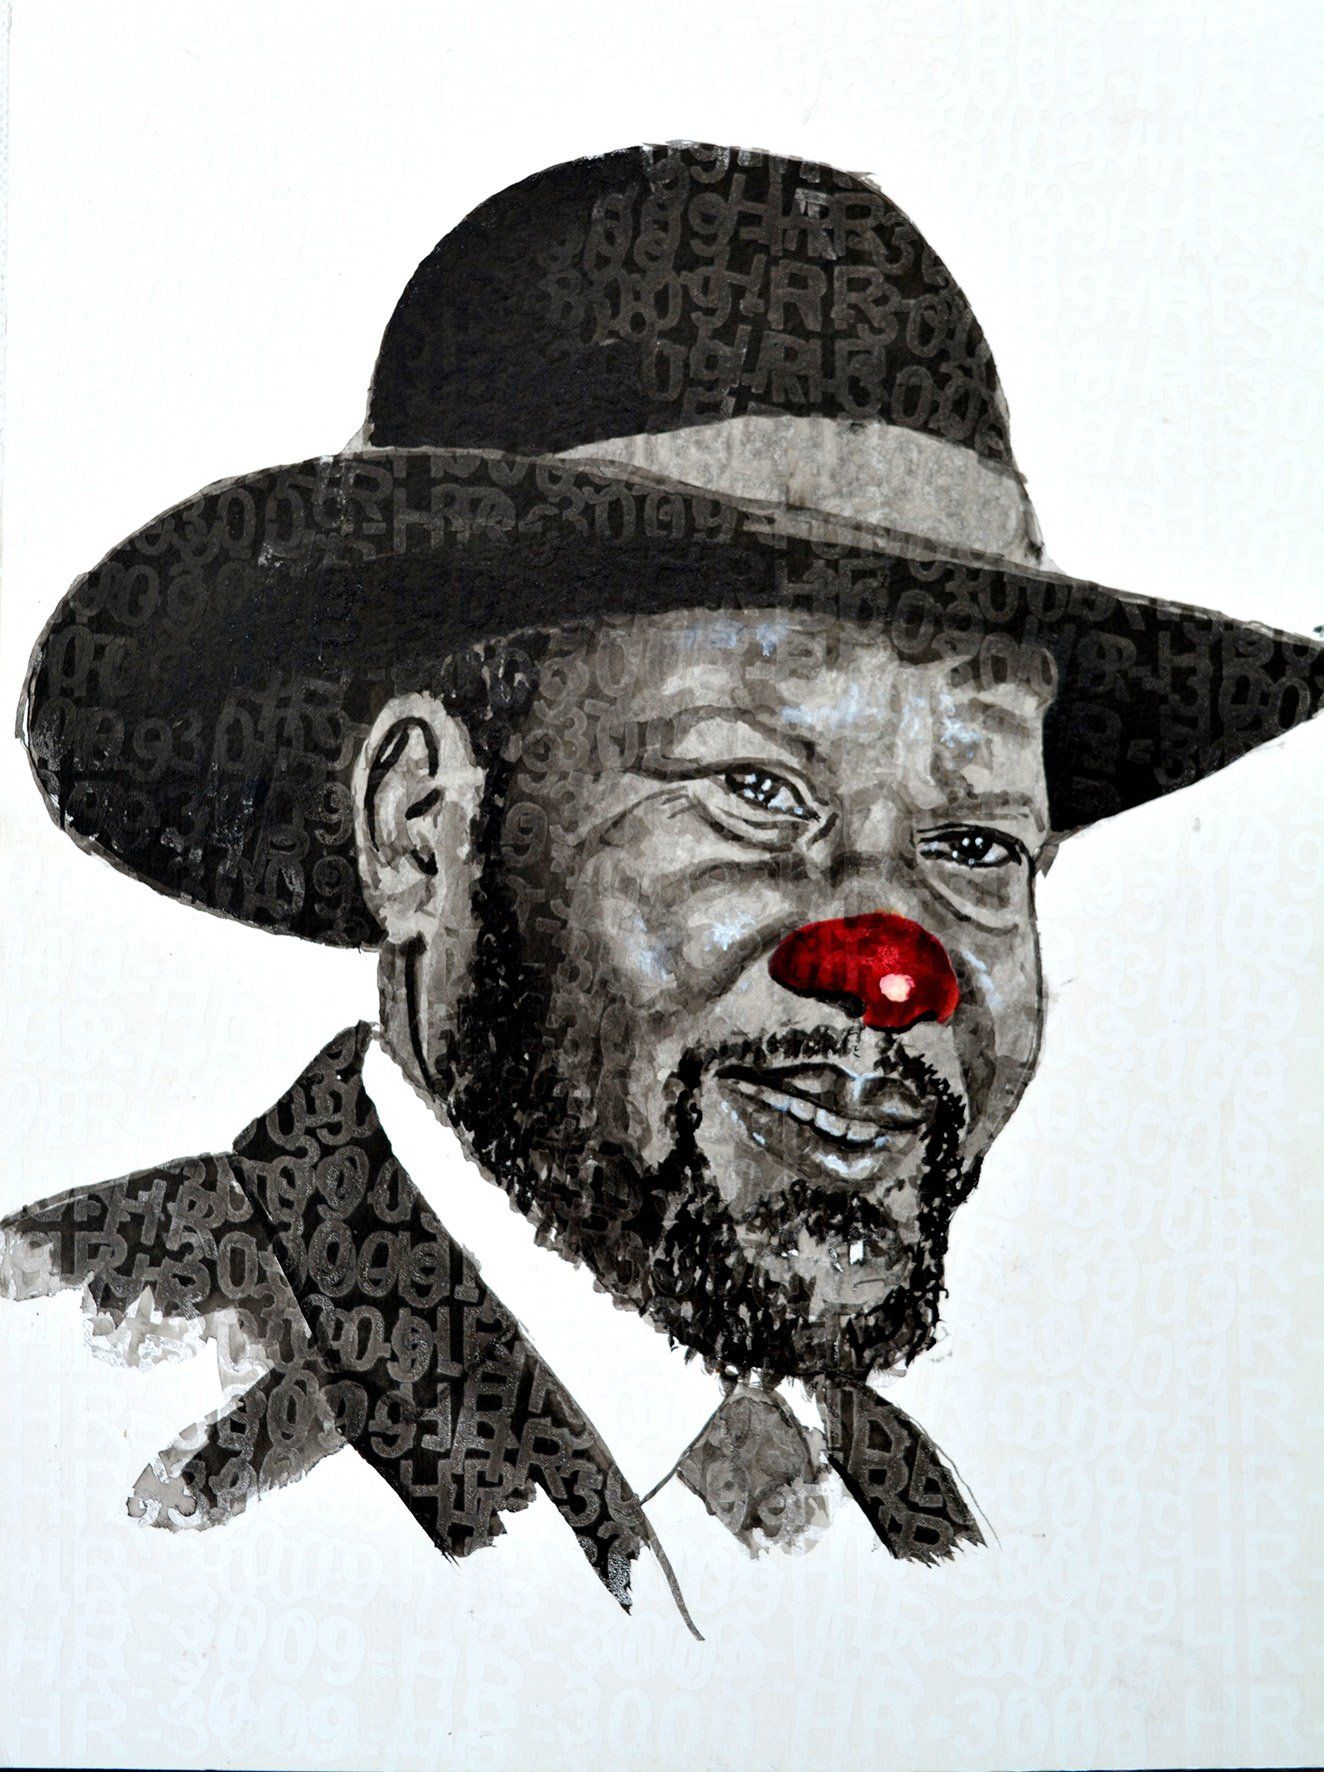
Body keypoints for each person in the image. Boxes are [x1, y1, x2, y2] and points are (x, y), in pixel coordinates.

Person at [3, 142, 1320, 1634]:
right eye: (757, 793)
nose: (895, 969)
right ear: (422, 827)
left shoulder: (920, 1540)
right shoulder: (78, 1424)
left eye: (976, 846)